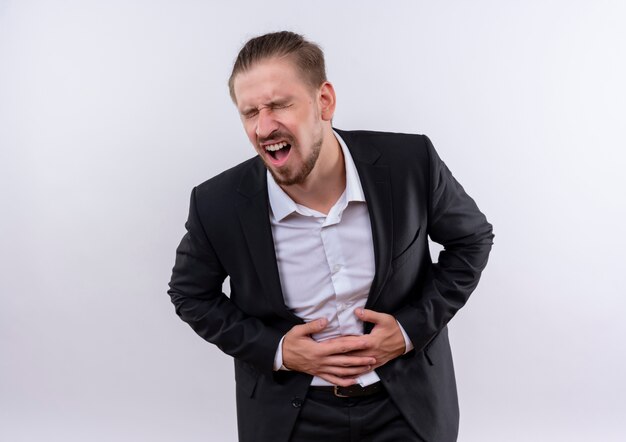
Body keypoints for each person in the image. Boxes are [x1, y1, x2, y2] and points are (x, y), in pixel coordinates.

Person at [168, 31, 493, 442]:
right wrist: (280, 350)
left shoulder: (410, 164)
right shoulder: (215, 203)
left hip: (408, 410)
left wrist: (410, 330)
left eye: (278, 105)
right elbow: (190, 294)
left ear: (324, 101)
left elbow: (472, 240)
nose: (264, 127)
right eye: (249, 112)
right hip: (290, 419)